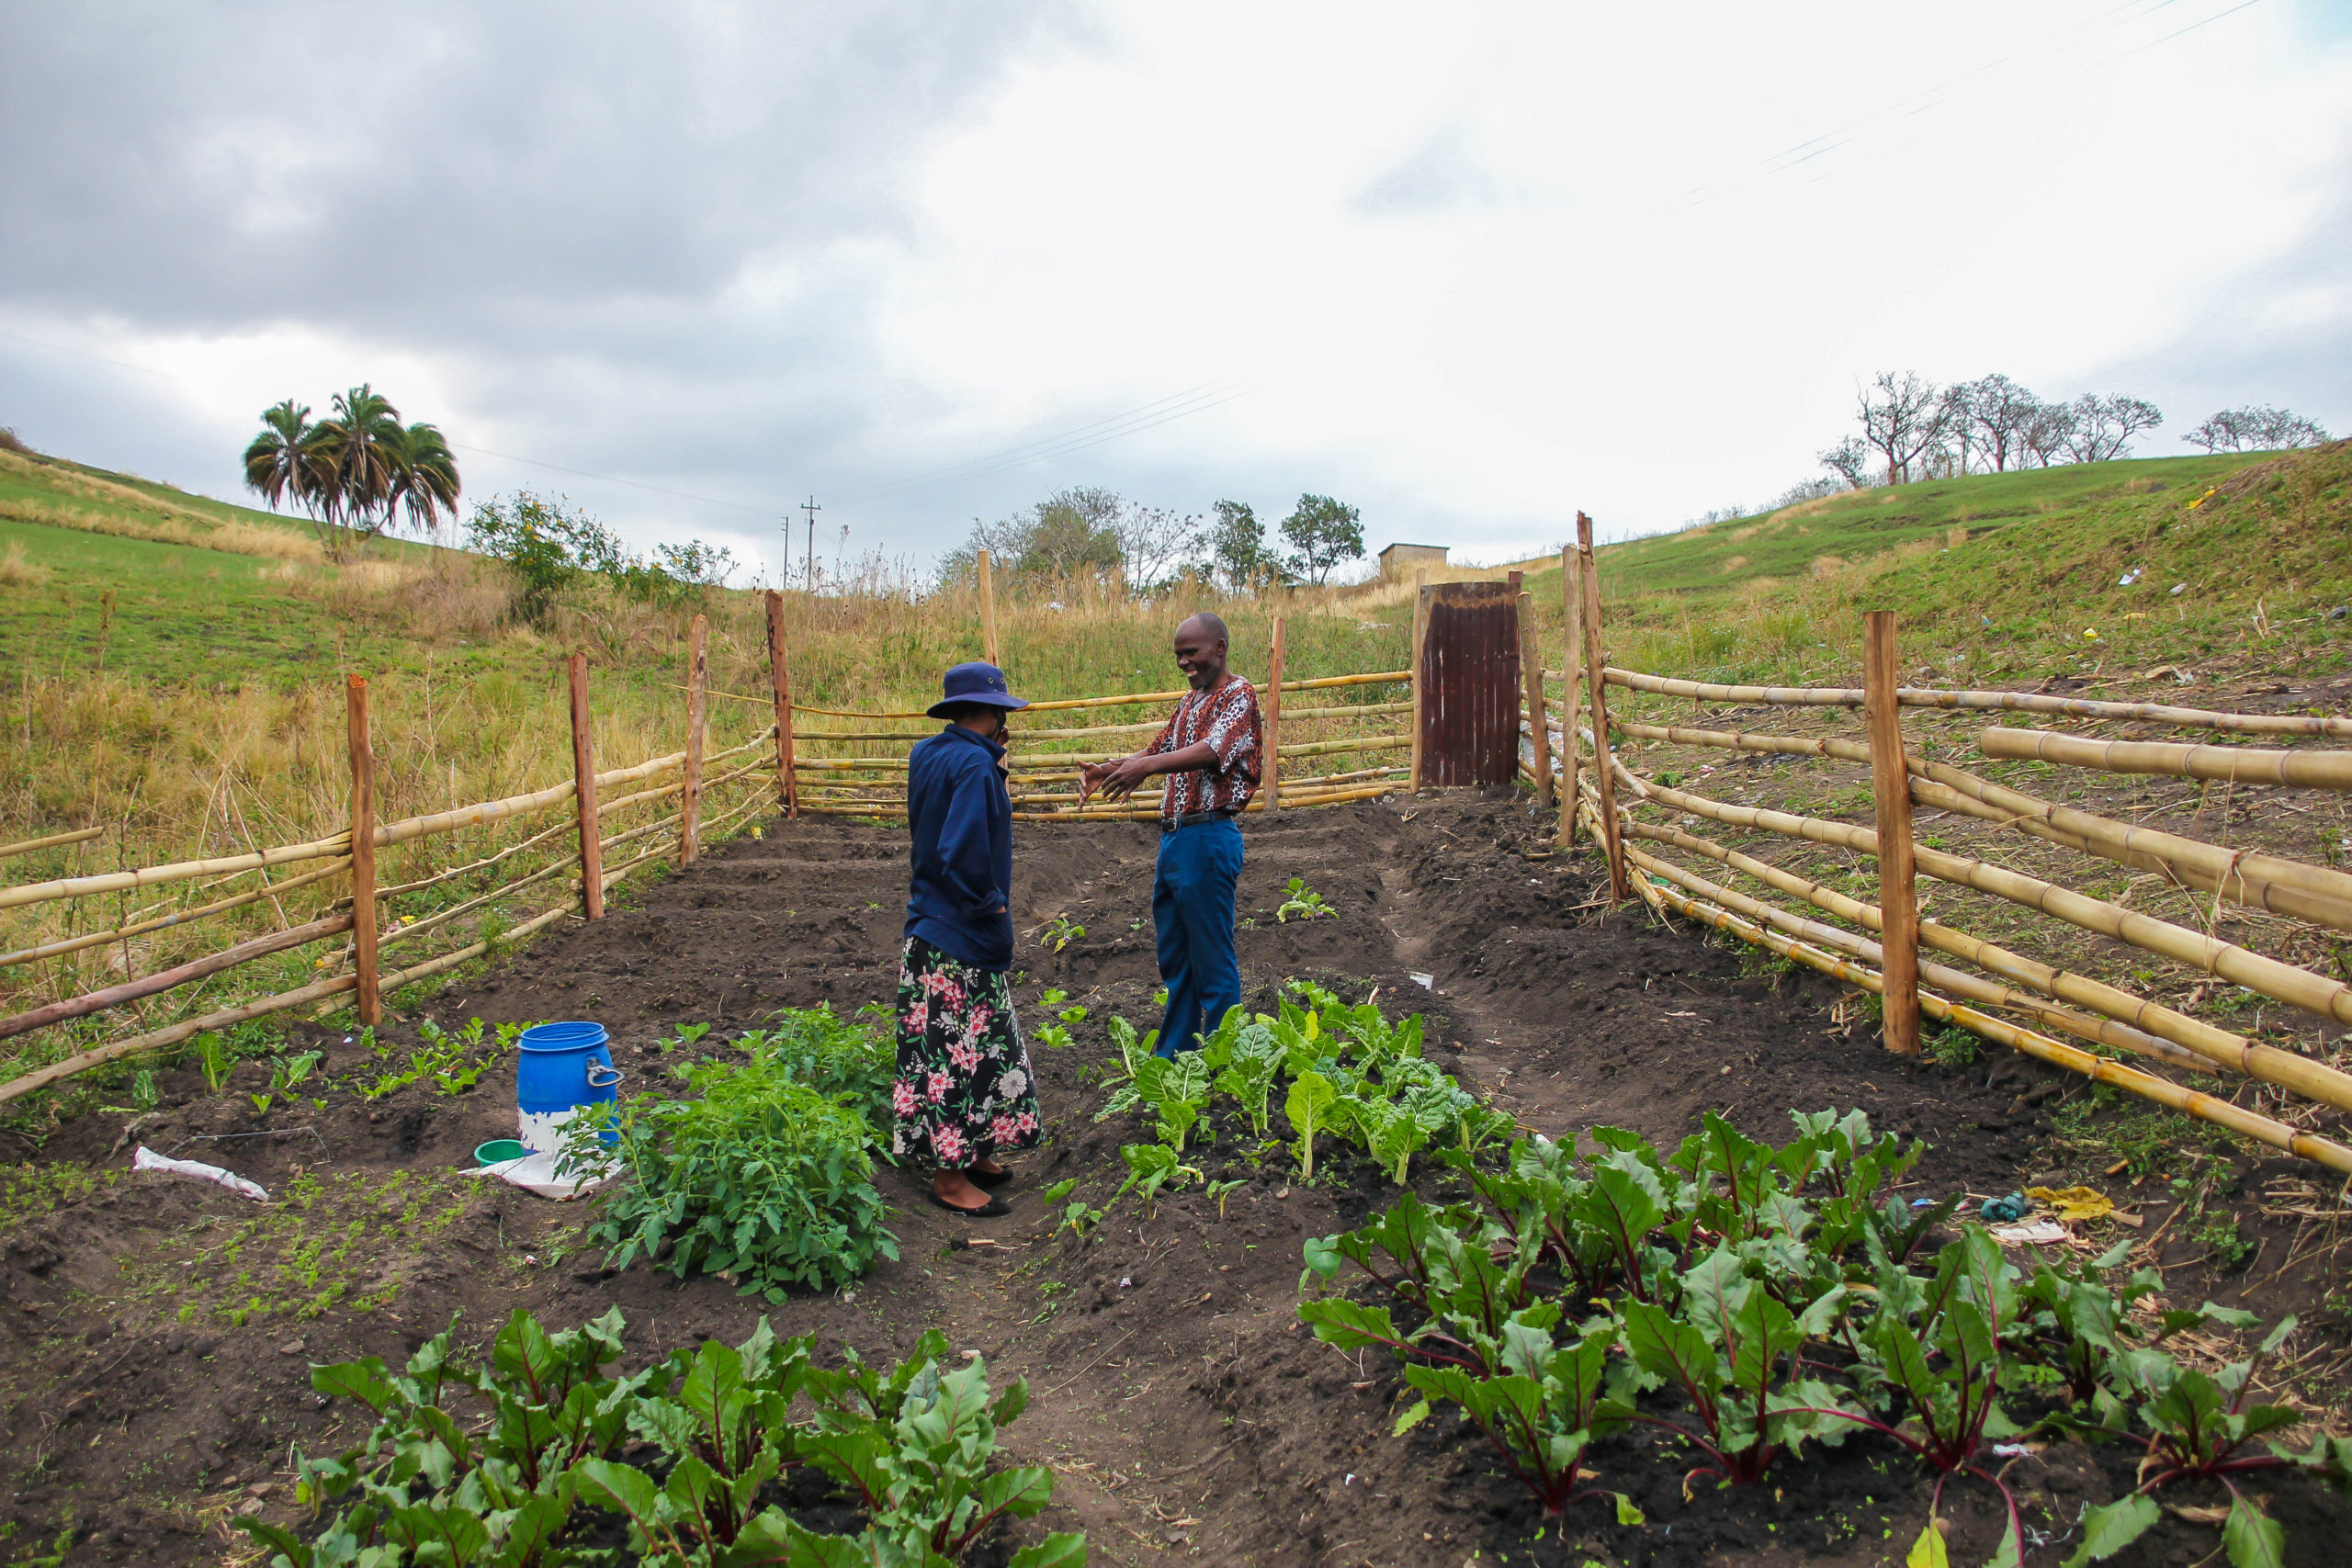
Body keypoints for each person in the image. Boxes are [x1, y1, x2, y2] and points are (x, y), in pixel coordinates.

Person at [896, 660, 1044, 1217]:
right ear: (994, 712)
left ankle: (978, 1152)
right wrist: (992, 902)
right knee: (956, 1058)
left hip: (931, 925)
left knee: (981, 1047)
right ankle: (950, 1180)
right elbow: (961, 849)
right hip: (958, 933)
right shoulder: (976, 768)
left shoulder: (931, 753)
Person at [1079, 613, 1262, 1057]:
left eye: (1191, 652)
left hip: (1208, 836)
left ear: (1219, 647)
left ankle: (1225, 1058)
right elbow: (1159, 749)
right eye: (1179, 655)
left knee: (1212, 959)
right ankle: (1175, 1055)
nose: (1184, 662)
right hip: (1176, 840)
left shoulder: (1239, 695)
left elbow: (1212, 750)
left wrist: (1145, 768)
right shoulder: (1190, 701)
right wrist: (1110, 769)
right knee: (1176, 958)